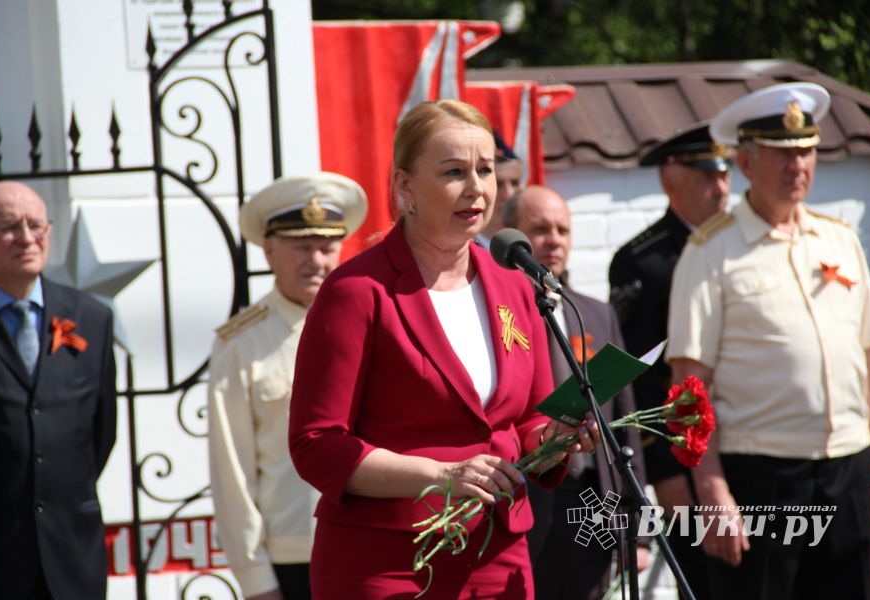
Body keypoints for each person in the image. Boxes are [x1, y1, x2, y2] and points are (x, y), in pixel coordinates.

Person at [288, 99, 598, 599]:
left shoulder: (515, 284)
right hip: (389, 562)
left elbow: (526, 426)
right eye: (454, 171)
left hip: (498, 557)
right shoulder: (356, 291)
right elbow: (316, 445)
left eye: (485, 169)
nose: (476, 187)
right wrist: (441, 476)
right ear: (404, 185)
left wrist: (558, 436)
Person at [667, 82, 870, 599]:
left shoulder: (839, 239)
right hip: (760, 478)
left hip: (848, 471)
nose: (798, 167)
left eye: (807, 153)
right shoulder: (710, 252)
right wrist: (712, 490)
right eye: (783, 155)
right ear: (745, 163)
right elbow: (687, 386)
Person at [207, 172, 368, 600]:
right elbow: (231, 472)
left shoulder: (372, 323)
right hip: (296, 557)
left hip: (371, 543)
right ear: (269, 250)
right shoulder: (240, 342)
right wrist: (255, 579)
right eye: (302, 247)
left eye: (327, 246)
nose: (316, 260)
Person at [505, 185, 650, 600]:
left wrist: (637, 531)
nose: (554, 240)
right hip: (523, 498)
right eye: (540, 228)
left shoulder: (594, 312)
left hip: (589, 502)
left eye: (563, 230)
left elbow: (625, 425)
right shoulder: (497, 310)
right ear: (512, 235)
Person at [608, 122, 731, 599]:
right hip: (684, 460)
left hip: (741, 448)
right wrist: (664, 471)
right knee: (703, 583)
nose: (719, 188)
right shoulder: (644, 261)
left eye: (722, 175)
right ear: (669, 178)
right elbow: (636, 377)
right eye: (705, 176)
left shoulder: (739, 249)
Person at [0, 180, 117, 599]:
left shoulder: (90, 318)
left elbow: (101, 431)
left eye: (35, 225)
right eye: (7, 226)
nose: (26, 238)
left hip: (71, 558)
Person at [478, 129, 524, 243]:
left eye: (514, 183)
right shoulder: (459, 252)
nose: (508, 194)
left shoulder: (536, 251)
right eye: (498, 184)